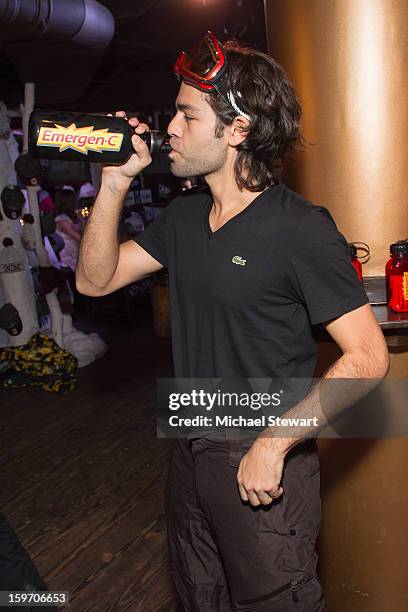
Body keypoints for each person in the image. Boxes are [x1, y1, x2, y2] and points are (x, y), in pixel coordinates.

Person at [76, 32, 389, 611]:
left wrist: (274, 444)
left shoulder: (300, 228)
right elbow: (94, 281)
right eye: (174, 112)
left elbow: (369, 357)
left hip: (260, 461)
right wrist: (114, 184)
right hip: (191, 449)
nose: (170, 127)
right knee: (201, 597)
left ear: (238, 129)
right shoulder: (185, 216)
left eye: (187, 115)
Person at [54, 187, 82, 273]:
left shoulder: (71, 218)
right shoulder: (61, 220)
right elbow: (80, 239)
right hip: (68, 262)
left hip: (76, 257)